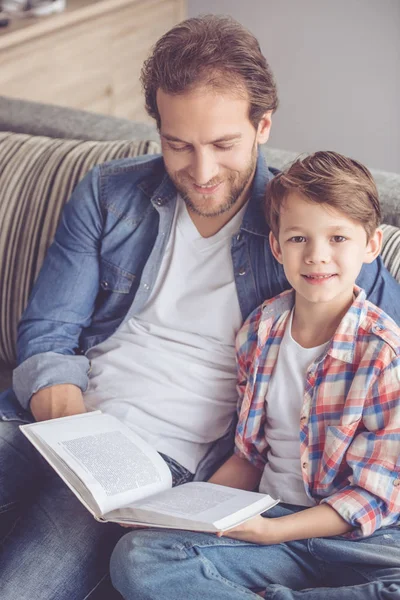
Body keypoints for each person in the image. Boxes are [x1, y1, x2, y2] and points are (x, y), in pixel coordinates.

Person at [0, 14, 399, 600]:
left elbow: (378, 328)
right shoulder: (109, 194)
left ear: (263, 126)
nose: (203, 171)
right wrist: (76, 431)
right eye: (178, 145)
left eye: (223, 144)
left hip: (165, 464)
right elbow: (48, 332)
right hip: (56, 423)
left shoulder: (297, 224)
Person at [110, 151, 400, 600]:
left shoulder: (384, 354)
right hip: (268, 522)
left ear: (370, 245)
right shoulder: (260, 333)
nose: (317, 256)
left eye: (338, 237)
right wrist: (173, 511)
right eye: (299, 238)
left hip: (360, 541)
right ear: (276, 246)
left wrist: (274, 532)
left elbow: (373, 497)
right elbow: (248, 458)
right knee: (139, 557)